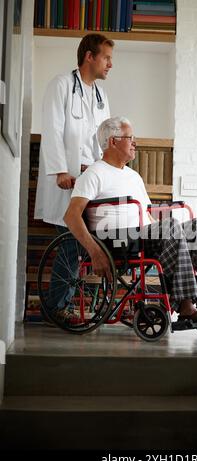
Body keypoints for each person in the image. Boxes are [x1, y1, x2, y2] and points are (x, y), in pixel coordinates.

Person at [63, 117, 197, 324]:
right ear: (113, 141)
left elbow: (147, 215)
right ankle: (186, 307)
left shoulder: (134, 176)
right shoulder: (94, 173)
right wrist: (95, 251)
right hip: (116, 240)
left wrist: (169, 228)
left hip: (143, 236)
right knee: (171, 227)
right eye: (130, 138)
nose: (135, 142)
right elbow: (71, 215)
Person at [34, 34, 114, 316]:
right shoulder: (62, 85)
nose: (110, 64)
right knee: (71, 243)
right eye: (106, 57)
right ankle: (57, 308)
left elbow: (104, 137)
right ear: (89, 57)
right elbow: (53, 129)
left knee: (76, 245)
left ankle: (62, 306)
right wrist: (60, 171)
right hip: (67, 180)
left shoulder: (101, 95)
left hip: (90, 180)